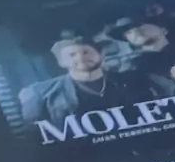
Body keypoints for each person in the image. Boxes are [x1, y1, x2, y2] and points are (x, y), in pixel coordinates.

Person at [19, 32, 154, 129]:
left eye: (86, 52)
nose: (80, 58)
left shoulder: (134, 81)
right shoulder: (41, 94)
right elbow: (35, 137)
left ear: (101, 55)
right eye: (72, 55)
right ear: (61, 62)